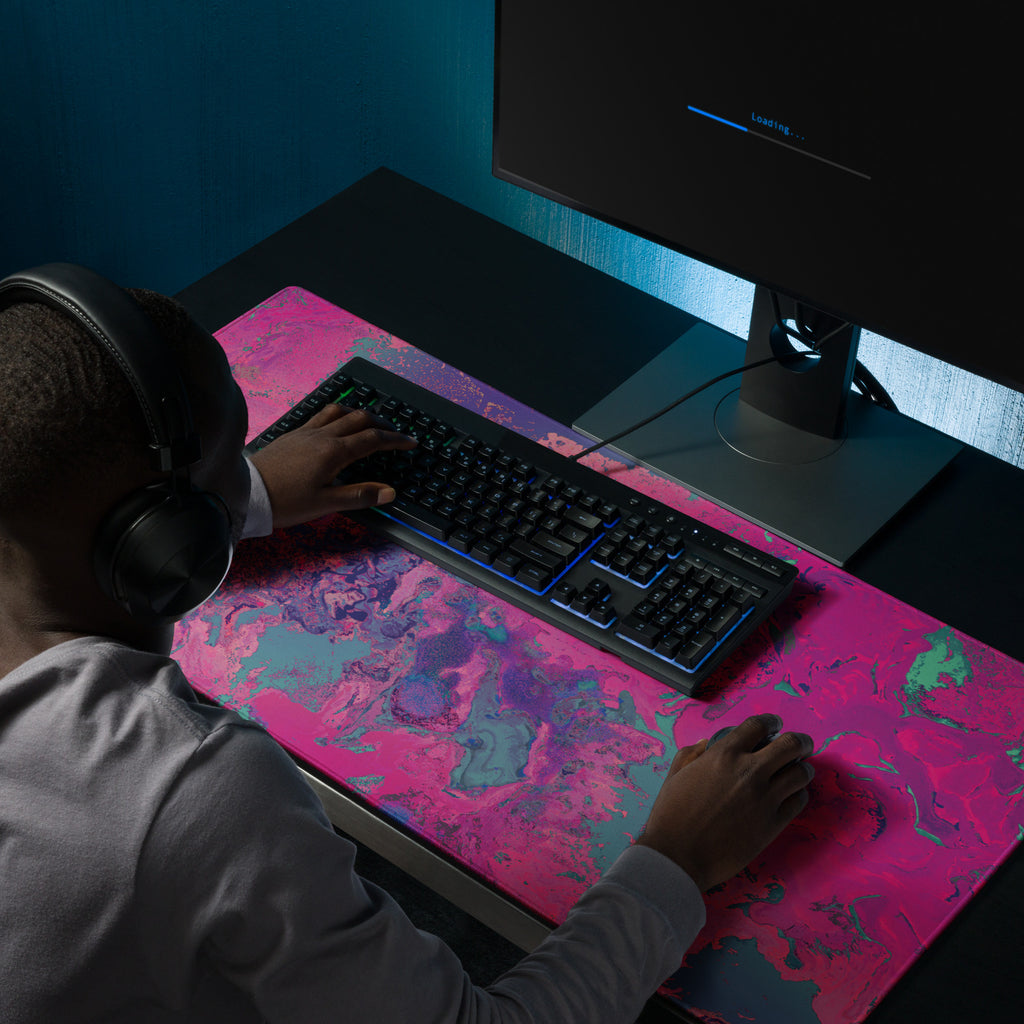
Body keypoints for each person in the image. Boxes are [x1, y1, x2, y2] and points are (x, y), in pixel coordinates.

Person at [0, 271, 815, 1023]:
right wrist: (675, 861)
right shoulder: (188, 789)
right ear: (164, 542)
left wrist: (242, 495)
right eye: (229, 459)